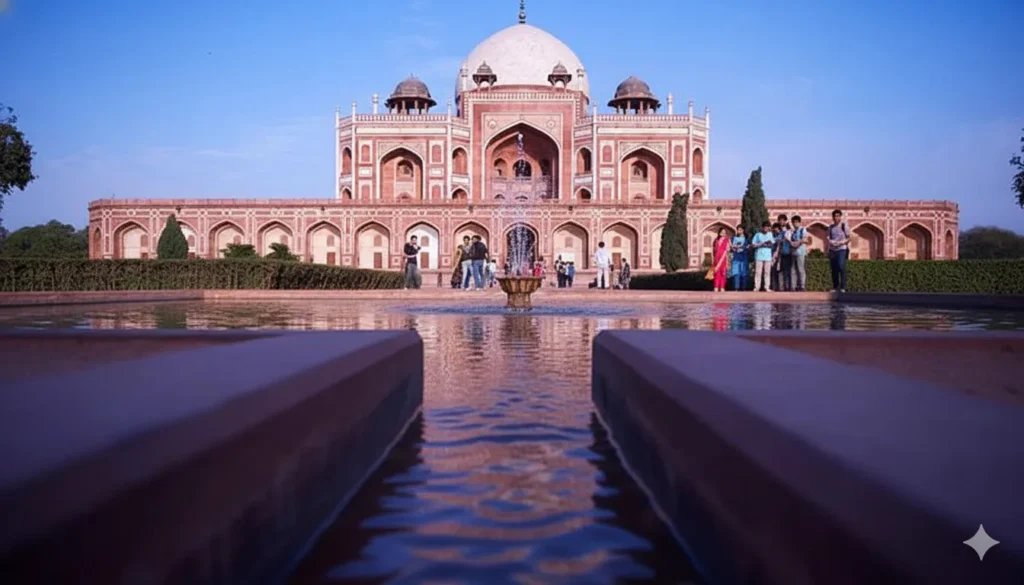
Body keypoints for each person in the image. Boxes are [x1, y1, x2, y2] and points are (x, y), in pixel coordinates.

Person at [827, 209, 851, 292]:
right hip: (833, 249)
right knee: (834, 268)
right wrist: (831, 242)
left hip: (842, 249)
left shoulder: (844, 225)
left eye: (837, 216)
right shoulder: (830, 227)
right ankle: (835, 286)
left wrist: (841, 243)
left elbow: (848, 238)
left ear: (840, 217)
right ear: (832, 217)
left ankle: (843, 287)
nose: (836, 218)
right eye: (834, 216)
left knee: (841, 266)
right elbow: (828, 238)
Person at [751, 221, 774, 292]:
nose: (766, 228)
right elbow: (753, 244)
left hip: (767, 256)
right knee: (758, 272)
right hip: (759, 255)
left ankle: (767, 287)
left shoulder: (770, 234)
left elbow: (772, 243)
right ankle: (757, 287)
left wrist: (768, 243)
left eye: (768, 227)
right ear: (762, 227)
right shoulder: (758, 235)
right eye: (765, 227)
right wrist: (760, 244)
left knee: (767, 272)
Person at [789, 214, 809, 291]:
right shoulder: (793, 231)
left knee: (800, 269)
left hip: (800, 252)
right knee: (793, 270)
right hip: (793, 252)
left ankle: (802, 286)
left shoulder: (802, 230)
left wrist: (798, 243)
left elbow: (805, 239)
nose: (795, 224)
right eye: (794, 222)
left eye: (797, 222)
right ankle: (793, 286)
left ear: (800, 223)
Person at [711, 226, 730, 292]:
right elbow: (713, 251)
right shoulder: (716, 240)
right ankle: (716, 286)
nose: (723, 233)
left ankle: (722, 287)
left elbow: (727, 251)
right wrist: (713, 259)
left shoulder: (727, 240)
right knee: (716, 273)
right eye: (722, 232)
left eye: (724, 232)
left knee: (723, 273)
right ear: (719, 232)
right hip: (716, 258)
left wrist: (727, 261)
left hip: (723, 259)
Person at [777, 214, 793, 291]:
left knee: (788, 270)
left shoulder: (789, 230)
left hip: (788, 252)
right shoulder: (781, 232)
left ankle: (788, 287)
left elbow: (791, 239)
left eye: (783, 220)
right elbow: (778, 240)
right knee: (781, 270)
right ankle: (781, 287)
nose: (781, 222)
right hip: (781, 253)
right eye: (780, 220)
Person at [730, 225, 749, 291]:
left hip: (744, 258)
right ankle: (736, 287)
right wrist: (734, 247)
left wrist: (745, 247)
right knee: (736, 272)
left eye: (740, 230)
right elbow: (731, 247)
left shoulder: (746, 238)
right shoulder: (734, 238)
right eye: (738, 230)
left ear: (743, 230)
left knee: (744, 272)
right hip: (736, 258)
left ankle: (744, 288)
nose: (739, 231)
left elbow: (749, 247)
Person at [770, 222, 783, 292]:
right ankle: (774, 287)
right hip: (773, 255)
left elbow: (779, 245)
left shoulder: (781, 235)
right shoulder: (772, 235)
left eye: (777, 229)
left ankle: (780, 287)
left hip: (780, 255)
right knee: (773, 271)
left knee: (780, 271)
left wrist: (776, 253)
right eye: (774, 229)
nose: (776, 230)